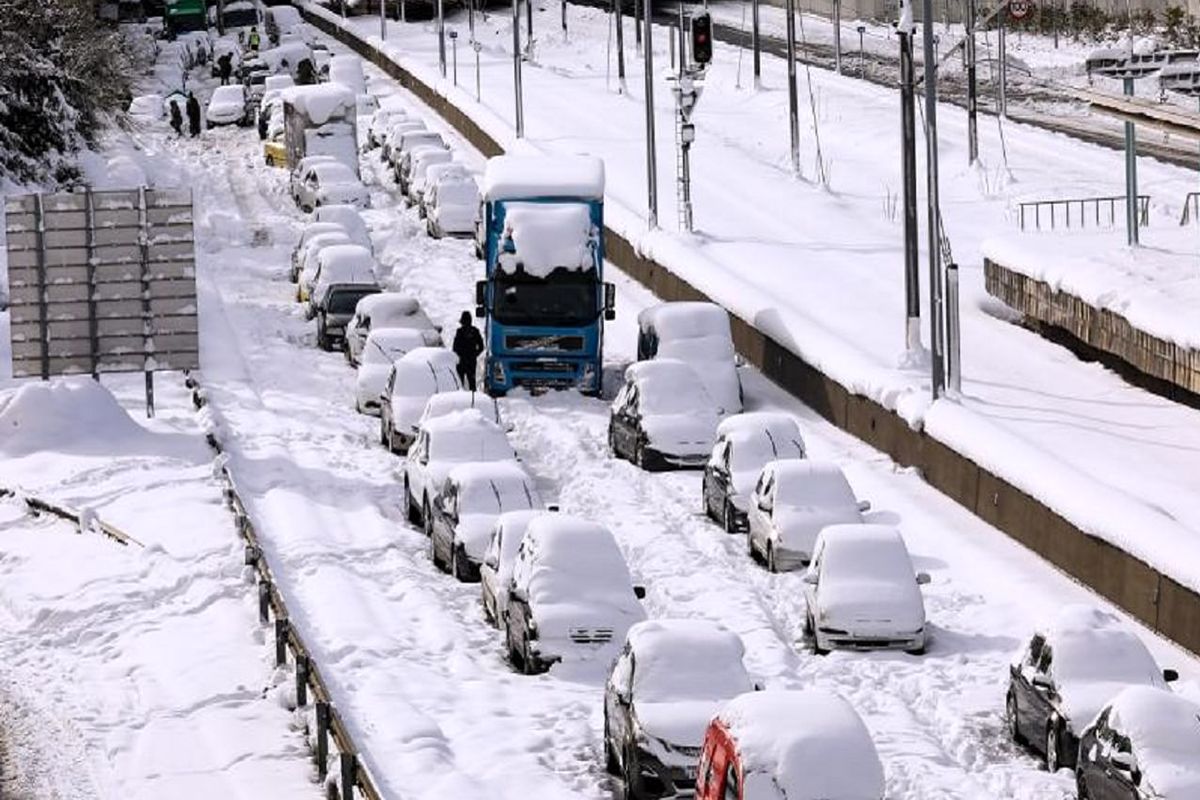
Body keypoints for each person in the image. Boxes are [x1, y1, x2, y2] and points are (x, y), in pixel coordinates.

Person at [452, 311, 484, 392]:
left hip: (461, 362)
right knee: (472, 383)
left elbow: (455, 348)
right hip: (471, 361)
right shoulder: (475, 331)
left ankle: (460, 399)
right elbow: (481, 346)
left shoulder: (459, 332)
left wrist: (458, 356)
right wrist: (475, 354)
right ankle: (473, 400)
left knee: (460, 384)